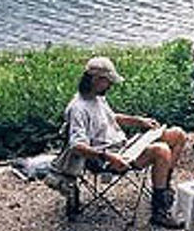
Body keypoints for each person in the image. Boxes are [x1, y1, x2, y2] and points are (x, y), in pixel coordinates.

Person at [62, 57, 187, 229]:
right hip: (107, 157)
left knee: (177, 134)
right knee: (161, 150)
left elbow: (112, 118)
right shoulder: (78, 108)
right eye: (108, 82)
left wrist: (140, 121)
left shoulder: (97, 97)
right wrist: (107, 156)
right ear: (96, 80)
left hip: (123, 146)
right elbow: (76, 145)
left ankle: (163, 187)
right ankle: (159, 212)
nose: (110, 86)